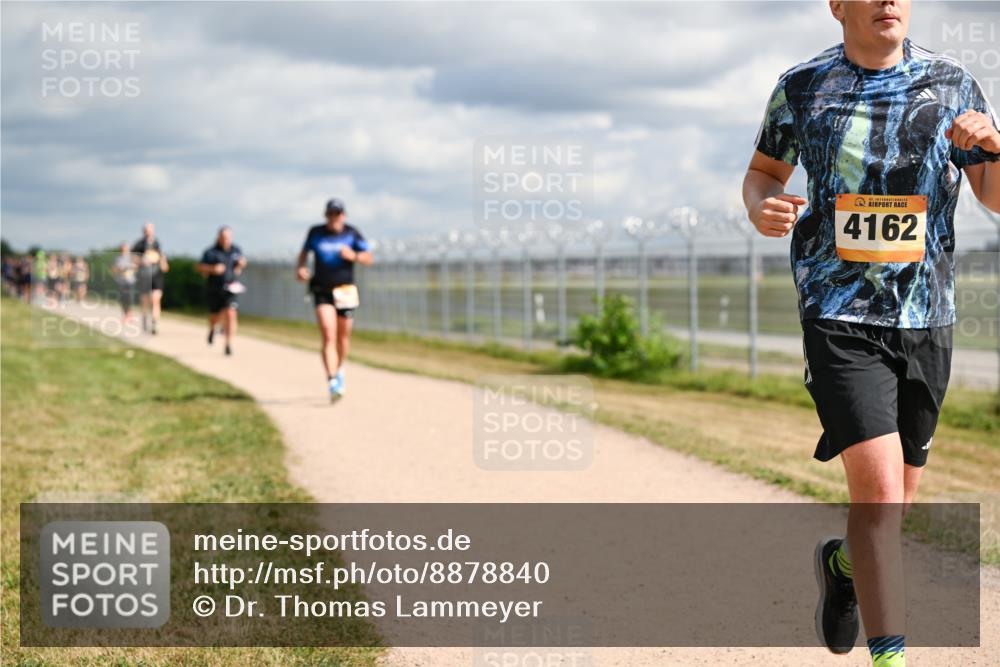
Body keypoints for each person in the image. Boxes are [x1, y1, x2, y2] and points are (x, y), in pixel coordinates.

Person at [742, 2, 1000, 665]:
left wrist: (997, 151)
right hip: (839, 315)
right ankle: (892, 658)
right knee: (880, 493)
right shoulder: (803, 86)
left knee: (898, 501)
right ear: (838, 5)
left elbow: (993, 195)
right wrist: (761, 207)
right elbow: (764, 173)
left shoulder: (954, 84)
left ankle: (845, 569)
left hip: (926, 319)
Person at [296, 198, 373, 399]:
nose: (334, 218)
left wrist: (354, 256)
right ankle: (332, 380)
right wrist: (301, 269)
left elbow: (369, 258)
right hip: (321, 290)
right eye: (330, 214)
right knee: (328, 334)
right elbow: (303, 256)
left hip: (346, 291)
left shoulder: (352, 233)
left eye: (337, 214)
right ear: (325, 215)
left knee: (343, 336)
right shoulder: (315, 232)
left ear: (343, 215)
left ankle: (339, 369)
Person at [196, 226, 247, 356]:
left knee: (231, 314)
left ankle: (228, 344)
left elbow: (240, 265)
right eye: (224, 238)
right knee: (215, 317)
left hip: (231, 289)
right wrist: (213, 269)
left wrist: (242, 263)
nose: (226, 240)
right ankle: (212, 329)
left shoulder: (236, 250)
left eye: (228, 237)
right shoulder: (211, 252)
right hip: (215, 288)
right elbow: (199, 267)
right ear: (218, 237)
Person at [132, 222, 169, 334]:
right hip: (144, 275)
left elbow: (162, 258)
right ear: (144, 231)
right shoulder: (139, 244)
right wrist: (142, 260)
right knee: (145, 301)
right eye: (146, 230)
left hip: (156, 275)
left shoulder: (157, 243)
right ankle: (144, 317)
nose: (148, 232)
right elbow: (133, 258)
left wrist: (163, 263)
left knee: (155, 299)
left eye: (150, 229)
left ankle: (154, 323)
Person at [112, 243, 138, 322]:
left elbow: (137, 267)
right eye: (122, 249)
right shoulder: (117, 259)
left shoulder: (132, 258)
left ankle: (129, 313)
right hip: (121, 281)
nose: (124, 251)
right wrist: (119, 269)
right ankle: (125, 314)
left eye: (125, 249)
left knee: (130, 298)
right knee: (123, 299)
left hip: (130, 281)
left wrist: (132, 267)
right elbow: (113, 269)